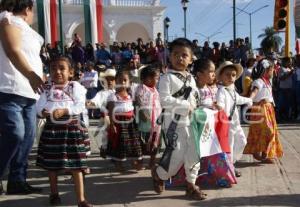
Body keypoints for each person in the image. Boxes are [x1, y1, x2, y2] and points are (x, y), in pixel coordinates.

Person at [151, 38, 206, 200]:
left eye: (184, 55)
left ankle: (191, 184)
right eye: (176, 54)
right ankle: (159, 174)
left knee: (193, 153)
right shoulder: (166, 78)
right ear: (170, 57)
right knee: (177, 155)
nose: (180, 58)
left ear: (191, 59)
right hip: (174, 123)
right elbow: (164, 99)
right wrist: (184, 106)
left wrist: (199, 109)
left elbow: (195, 98)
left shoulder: (191, 78)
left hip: (192, 122)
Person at [0, 0, 45, 194]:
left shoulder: (30, 31)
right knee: (15, 133)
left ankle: (17, 180)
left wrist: (38, 74)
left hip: (28, 92)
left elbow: (28, 54)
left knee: (27, 139)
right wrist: (32, 75)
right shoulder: (6, 18)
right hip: (8, 88)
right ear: (28, 9)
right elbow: (12, 49)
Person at [36, 56, 92, 207]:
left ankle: (81, 199)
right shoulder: (46, 89)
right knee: (52, 165)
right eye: (53, 68)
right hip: (52, 130)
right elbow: (39, 106)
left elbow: (80, 106)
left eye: (62, 68)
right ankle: (54, 194)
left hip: (71, 130)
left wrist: (65, 110)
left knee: (76, 165)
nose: (57, 72)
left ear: (71, 72)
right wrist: (43, 112)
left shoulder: (75, 87)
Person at [216, 61, 252, 177]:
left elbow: (239, 99)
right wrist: (220, 107)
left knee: (242, 141)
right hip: (227, 124)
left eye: (233, 75)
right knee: (229, 146)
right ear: (221, 76)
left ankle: (231, 163)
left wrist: (249, 100)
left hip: (236, 124)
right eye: (227, 74)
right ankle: (229, 168)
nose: (231, 77)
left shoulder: (232, 90)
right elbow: (220, 103)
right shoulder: (221, 91)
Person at [243, 59, 283, 163]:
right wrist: (249, 101)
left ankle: (266, 155)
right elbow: (254, 92)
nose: (273, 72)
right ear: (265, 71)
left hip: (269, 110)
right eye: (271, 70)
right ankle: (257, 151)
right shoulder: (258, 82)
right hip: (260, 109)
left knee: (271, 131)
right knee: (266, 131)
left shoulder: (268, 82)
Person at [106, 70, 143, 172]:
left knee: (133, 143)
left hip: (130, 123)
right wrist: (112, 125)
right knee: (120, 144)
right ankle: (119, 164)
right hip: (119, 123)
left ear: (129, 82)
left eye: (125, 80)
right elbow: (111, 111)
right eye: (119, 80)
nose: (122, 83)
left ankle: (134, 161)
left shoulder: (131, 95)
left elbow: (136, 106)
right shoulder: (113, 96)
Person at [135, 65, 162, 169]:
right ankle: (139, 161)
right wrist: (142, 112)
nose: (157, 80)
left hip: (156, 121)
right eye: (156, 78)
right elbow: (138, 100)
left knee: (156, 141)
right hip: (145, 120)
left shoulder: (155, 90)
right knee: (142, 141)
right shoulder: (141, 88)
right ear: (148, 78)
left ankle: (152, 161)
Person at [86, 69, 117, 158]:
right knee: (106, 134)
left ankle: (115, 150)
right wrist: (90, 103)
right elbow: (96, 100)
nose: (110, 81)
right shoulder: (102, 93)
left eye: (112, 79)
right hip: (107, 117)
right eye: (107, 79)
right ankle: (104, 148)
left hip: (118, 117)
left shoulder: (118, 92)